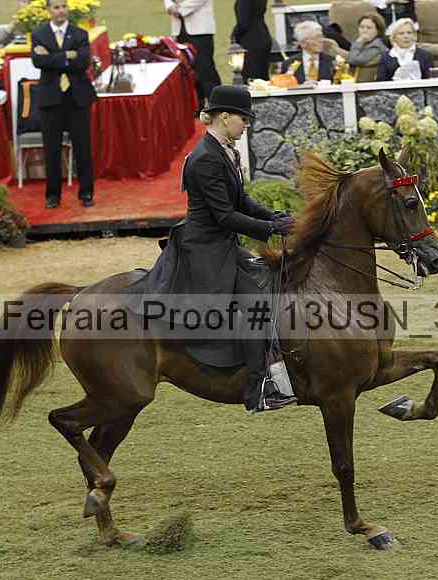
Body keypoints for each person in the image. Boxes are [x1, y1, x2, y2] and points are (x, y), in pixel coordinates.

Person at [178, 86, 296, 412]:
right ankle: (258, 390)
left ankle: (278, 372)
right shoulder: (205, 158)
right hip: (206, 250)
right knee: (257, 303)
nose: (247, 125)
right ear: (225, 116)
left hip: (223, 245)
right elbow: (225, 216)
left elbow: (241, 201)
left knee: (272, 282)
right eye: (244, 119)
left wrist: (275, 216)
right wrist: (271, 230)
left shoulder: (227, 151)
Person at [31, 0, 98, 209]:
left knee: (82, 147)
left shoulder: (80, 34)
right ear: (48, 10)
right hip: (50, 98)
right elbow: (38, 61)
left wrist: (52, 57)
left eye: (63, 6)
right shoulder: (39, 34)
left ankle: (86, 192)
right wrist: (68, 55)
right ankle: (53, 195)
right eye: (56, 7)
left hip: (77, 98)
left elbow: (83, 62)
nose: (60, 11)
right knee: (52, 149)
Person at [165, 0, 221, 108]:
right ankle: (197, 105)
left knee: (205, 68)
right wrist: (170, 6)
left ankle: (217, 105)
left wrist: (180, 9)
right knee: (187, 71)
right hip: (179, 30)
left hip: (200, 30)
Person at [325, 13, 390, 83]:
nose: (364, 30)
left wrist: (358, 42)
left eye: (369, 28)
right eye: (361, 27)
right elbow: (352, 55)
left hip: (365, 84)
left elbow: (354, 60)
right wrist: (338, 51)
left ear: (378, 30)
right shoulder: (366, 43)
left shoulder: (376, 46)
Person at [231, 0, 271, 82]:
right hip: (263, 35)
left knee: (251, 79)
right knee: (262, 78)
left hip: (251, 40)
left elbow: (243, 22)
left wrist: (234, 35)